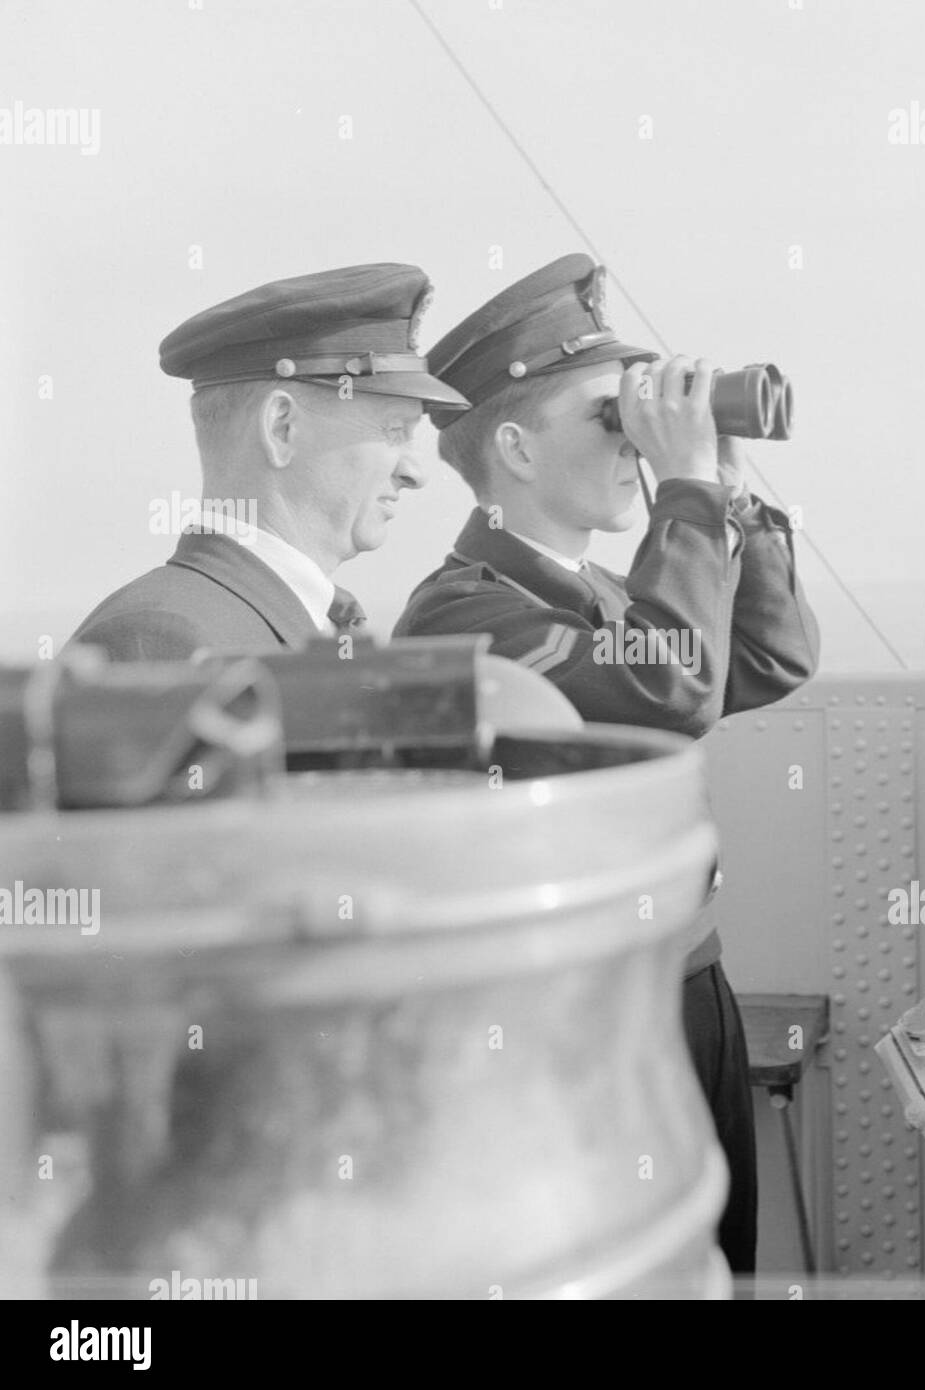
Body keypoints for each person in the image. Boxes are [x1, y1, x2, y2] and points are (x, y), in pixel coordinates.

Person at [393, 253, 820, 1272]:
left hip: (689, 979)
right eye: (608, 417)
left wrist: (721, 484)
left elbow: (767, 659)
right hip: (590, 1014)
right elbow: (672, 691)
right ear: (513, 448)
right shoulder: (464, 610)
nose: (634, 442)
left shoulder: (603, 595)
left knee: (717, 1262)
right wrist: (681, 489)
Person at [70, 264, 467, 661]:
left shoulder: (312, 622)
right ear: (282, 428)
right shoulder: (164, 639)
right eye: (394, 431)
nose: (415, 473)